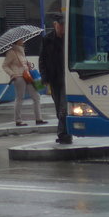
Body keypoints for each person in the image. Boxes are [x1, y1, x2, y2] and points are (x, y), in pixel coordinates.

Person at [39, 11, 73, 144]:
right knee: (59, 108)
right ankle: (65, 133)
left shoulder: (69, 39)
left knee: (64, 108)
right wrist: (44, 78)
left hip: (66, 78)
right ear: (55, 25)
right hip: (54, 79)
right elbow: (42, 60)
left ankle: (63, 134)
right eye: (61, 25)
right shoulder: (47, 39)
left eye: (65, 25)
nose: (63, 27)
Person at [1, 39, 45, 127]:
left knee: (36, 96)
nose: (23, 41)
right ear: (17, 41)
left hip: (28, 75)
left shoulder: (21, 50)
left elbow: (23, 64)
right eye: (21, 40)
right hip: (19, 77)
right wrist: (12, 74)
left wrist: (27, 64)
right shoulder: (12, 52)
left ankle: (39, 119)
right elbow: (4, 65)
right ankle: (18, 120)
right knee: (20, 98)